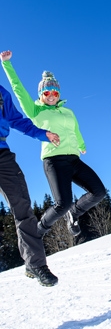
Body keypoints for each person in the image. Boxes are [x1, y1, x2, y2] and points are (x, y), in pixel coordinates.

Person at [0, 50, 106, 237]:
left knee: (98, 191)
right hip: (53, 161)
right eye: (46, 92)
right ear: (41, 94)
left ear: (58, 93)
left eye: (54, 92)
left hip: (73, 159)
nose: (51, 95)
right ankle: (39, 230)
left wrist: (81, 145)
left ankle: (75, 212)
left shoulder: (68, 112)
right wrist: (6, 64)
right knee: (62, 203)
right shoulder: (35, 110)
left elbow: (76, 130)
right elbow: (17, 88)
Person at [0, 83, 60, 286]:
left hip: (2, 156)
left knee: (22, 207)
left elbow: (17, 120)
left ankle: (35, 264)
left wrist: (44, 134)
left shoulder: (1, 93)